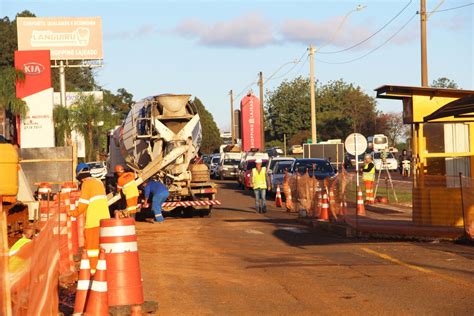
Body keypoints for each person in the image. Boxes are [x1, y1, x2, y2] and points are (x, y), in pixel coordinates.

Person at [70, 162, 110, 274]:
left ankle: (93, 272)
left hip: (93, 221)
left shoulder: (86, 184)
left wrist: (72, 213)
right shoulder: (98, 182)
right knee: (101, 246)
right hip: (105, 220)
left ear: (79, 177)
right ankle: (103, 269)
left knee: (92, 248)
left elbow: (82, 205)